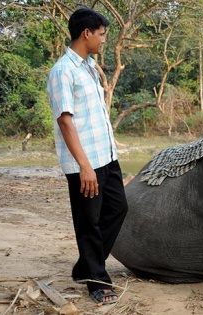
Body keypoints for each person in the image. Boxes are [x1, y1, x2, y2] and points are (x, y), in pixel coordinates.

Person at [46, 8, 128, 305]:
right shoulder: (62, 71)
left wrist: (107, 155)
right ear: (87, 33)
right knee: (88, 222)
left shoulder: (90, 67)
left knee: (118, 209)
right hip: (85, 163)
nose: (104, 40)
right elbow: (65, 121)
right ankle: (97, 281)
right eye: (102, 34)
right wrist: (84, 166)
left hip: (106, 155)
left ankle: (84, 267)